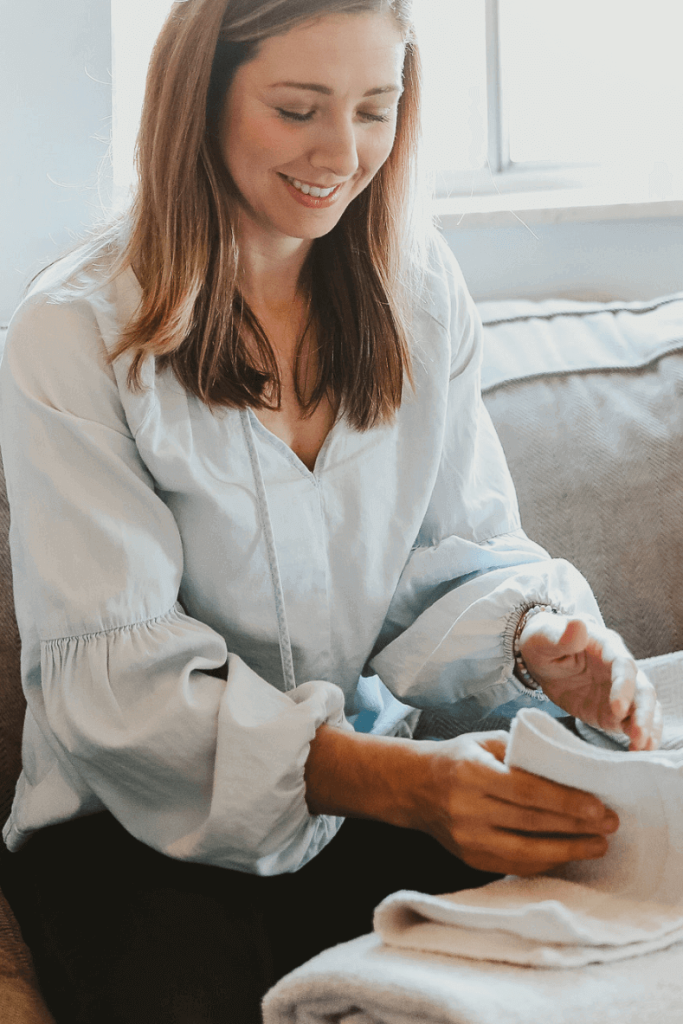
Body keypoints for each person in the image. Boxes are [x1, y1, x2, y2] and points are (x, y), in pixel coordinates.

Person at [0, 1, 662, 1021]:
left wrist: (538, 637)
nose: (340, 154)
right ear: (200, 99)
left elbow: (454, 553)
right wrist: (406, 783)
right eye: (297, 108)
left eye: (374, 108)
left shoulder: (417, 288)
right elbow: (119, 690)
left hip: (373, 787)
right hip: (129, 834)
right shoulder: (71, 333)